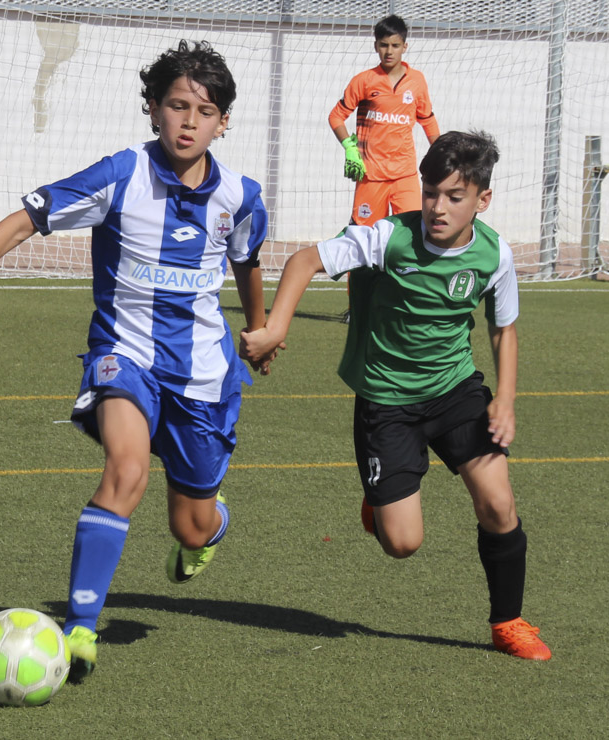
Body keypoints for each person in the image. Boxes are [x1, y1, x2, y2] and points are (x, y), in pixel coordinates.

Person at [0, 40, 271, 681]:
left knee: (190, 525)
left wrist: (261, 328)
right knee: (126, 469)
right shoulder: (119, 175)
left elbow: (246, 262)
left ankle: (210, 530)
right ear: (153, 109)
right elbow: (28, 218)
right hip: (123, 356)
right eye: (176, 106)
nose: (189, 121)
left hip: (206, 375)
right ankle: (79, 629)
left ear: (223, 121)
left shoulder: (240, 196)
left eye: (204, 111)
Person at [240, 131, 551, 661]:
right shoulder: (388, 237)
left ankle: (508, 622)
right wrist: (274, 328)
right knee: (402, 544)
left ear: (483, 200)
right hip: (387, 403)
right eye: (431, 192)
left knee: (498, 502)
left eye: (454, 196)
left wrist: (505, 400)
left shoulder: (494, 253)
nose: (437, 206)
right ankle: (378, 496)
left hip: (456, 392)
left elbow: (503, 328)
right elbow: (304, 260)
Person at [329, 14, 441, 228]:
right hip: (370, 174)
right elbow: (336, 116)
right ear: (375, 46)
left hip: (404, 175)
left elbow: (427, 120)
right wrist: (349, 147)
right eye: (384, 45)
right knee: (365, 235)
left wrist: (442, 153)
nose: (389, 51)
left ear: (405, 46)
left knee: (412, 231)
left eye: (395, 45)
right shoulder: (363, 81)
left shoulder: (417, 81)